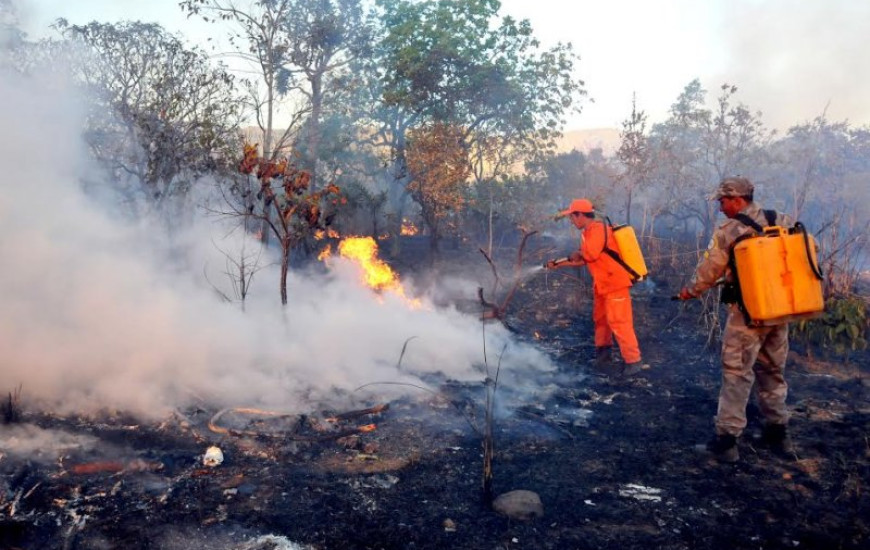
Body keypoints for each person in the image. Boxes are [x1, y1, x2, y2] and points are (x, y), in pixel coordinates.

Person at [677, 176, 795, 463]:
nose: (720, 207)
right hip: (780, 311)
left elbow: (710, 269)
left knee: (736, 374)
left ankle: (726, 442)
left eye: (722, 201)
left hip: (748, 315)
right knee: (772, 372)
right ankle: (778, 434)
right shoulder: (781, 218)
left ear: (738, 199)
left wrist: (690, 291)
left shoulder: (729, 230)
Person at [546, 198, 646, 378]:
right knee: (601, 320)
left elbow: (589, 254)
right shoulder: (588, 232)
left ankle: (633, 362)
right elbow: (584, 259)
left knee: (620, 322)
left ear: (581, 215)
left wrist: (577, 253)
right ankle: (603, 354)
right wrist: (558, 264)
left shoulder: (598, 230)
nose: (571, 221)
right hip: (602, 284)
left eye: (572, 217)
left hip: (615, 283)